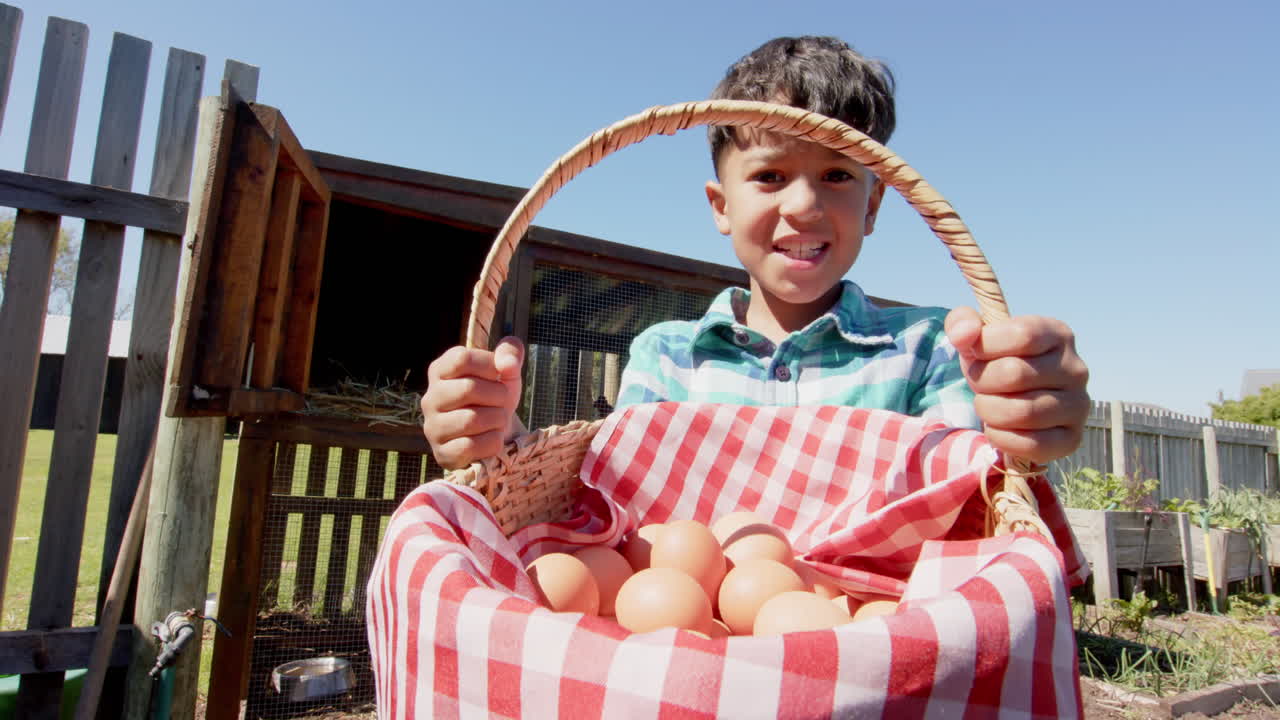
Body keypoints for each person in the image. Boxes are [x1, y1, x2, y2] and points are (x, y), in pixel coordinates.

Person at [421, 35, 1089, 471]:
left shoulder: (931, 352)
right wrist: (494, 441)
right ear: (721, 206)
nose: (802, 206)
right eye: (769, 176)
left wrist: (1022, 432)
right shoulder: (669, 358)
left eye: (837, 176)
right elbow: (610, 499)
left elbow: (978, 497)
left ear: (876, 205)